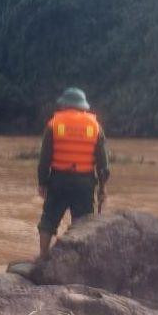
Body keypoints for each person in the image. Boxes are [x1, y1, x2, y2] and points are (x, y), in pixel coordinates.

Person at [37, 87, 110, 258]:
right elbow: (103, 163)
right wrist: (102, 187)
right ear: (83, 106)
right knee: (83, 223)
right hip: (84, 182)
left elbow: (44, 158)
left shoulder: (54, 124)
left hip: (58, 180)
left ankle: (43, 256)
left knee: (49, 219)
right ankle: (81, 259)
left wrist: (42, 182)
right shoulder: (95, 126)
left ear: (64, 105)